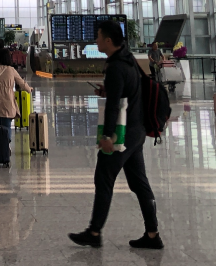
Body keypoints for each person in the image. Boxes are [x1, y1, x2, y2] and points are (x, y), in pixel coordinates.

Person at [69, 20, 162, 250]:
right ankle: (152, 234)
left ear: (108, 40)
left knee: (104, 177)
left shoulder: (115, 67)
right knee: (139, 183)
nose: (96, 41)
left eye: (99, 37)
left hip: (123, 133)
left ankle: (94, 232)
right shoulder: (128, 59)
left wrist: (108, 136)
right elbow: (126, 93)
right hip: (137, 130)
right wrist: (108, 90)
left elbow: (113, 107)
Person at [0, 41, 32, 140]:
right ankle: (6, 144)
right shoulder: (11, 70)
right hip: (8, 100)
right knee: (7, 126)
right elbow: (21, 82)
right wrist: (29, 89)